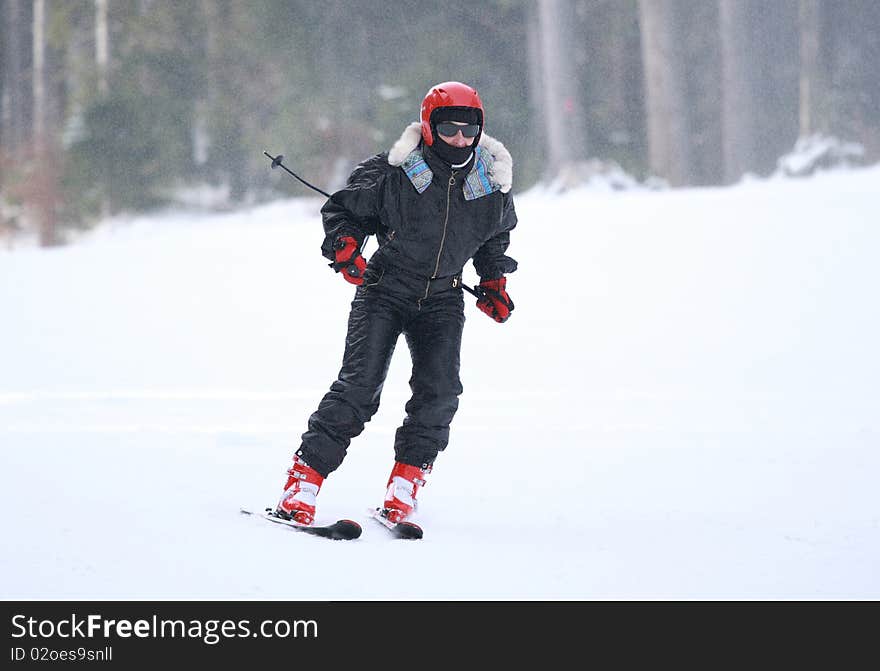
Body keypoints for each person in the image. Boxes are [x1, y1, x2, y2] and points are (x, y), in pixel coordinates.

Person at [275, 81, 517, 526]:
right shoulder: (396, 171)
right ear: (428, 127)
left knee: (440, 393)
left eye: (469, 130)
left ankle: (403, 488)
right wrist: (345, 248)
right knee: (359, 389)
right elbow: (344, 212)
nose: (460, 140)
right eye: (449, 130)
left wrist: (494, 281)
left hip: (442, 299)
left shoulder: (491, 181)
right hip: (384, 289)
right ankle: (302, 484)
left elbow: (493, 235)